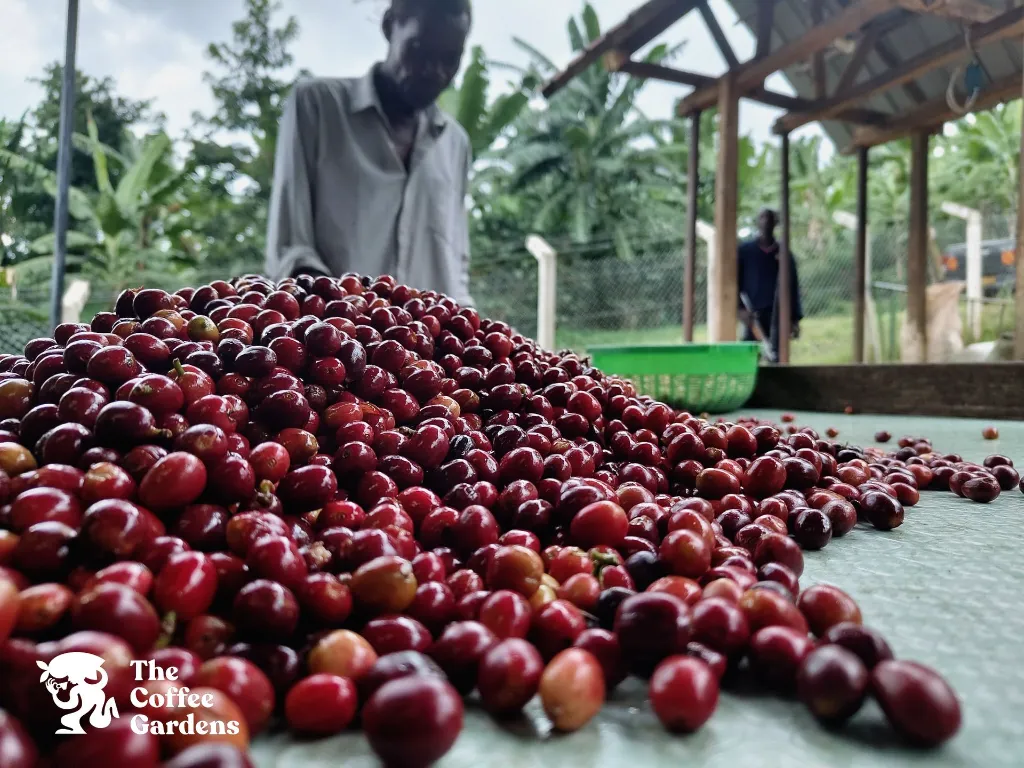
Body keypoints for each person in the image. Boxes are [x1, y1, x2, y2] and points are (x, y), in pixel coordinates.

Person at [266, 0, 474, 305]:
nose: (433, 71)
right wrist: (348, 318)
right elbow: (291, 247)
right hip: (334, 342)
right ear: (390, 25)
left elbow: (457, 265)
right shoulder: (317, 106)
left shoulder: (456, 143)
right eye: (419, 50)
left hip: (434, 348)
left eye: (450, 59)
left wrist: (471, 332)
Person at [737, 208, 803, 360]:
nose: (766, 221)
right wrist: (739, 310)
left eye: (770, 218)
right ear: (757, 222)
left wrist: (794, 318)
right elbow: (735, 283)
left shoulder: (784, 252)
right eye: (762, 217)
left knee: (777, 357)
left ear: (776, 223)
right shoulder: (745, 251)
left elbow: (793, 286)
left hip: (778, 314)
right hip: (752, 315)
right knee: (749, 357)